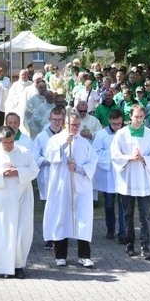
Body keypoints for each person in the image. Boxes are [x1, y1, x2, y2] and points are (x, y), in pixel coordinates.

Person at [0, 126, 39, 279]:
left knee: (20, 233)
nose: (9, 145)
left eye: (11, 142)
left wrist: (18, 172)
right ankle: (5, 267)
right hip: (1, 203)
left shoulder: (24, 152)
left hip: (21, 199)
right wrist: (2, 174)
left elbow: (34, 170)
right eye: (6, 143)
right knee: (3, 234)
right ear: (0, 141)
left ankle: (18, 266)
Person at [43, 112, 98, 268]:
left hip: (81, 188)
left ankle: (84, 255)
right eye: (71, 125)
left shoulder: (85, 143)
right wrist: (65, 144)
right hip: (62, 187)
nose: (74, 128)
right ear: (64, 125)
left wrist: (79, 168)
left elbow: (93, 162)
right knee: (62, 218)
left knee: (83, 219)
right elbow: (51, 157)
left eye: (76, 125)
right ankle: (60, 255)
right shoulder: (55, 140)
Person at [111, 104, 150, 259]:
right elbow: (115, 155)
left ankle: (145, 245)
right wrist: (129, 158)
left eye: (141, 116)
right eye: (136, 116)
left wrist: (142, 158)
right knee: (128, 214)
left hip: (144, 181)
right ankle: (129, 244)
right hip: (127, 180)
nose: (139, 119)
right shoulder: (121, 134)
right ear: (130, 117)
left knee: (145, 215)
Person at [92, 109, 126, 242]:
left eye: (119, 124)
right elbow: (96, 153)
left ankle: (123, 232)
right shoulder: (101, 135)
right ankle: (110, 228)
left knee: (123, 204)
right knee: (109, 204)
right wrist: (112, 154)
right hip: (109, 175)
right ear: (109, 121)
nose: (117, 127)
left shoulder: (126, 133)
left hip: (123, 173)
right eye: (114, 124)